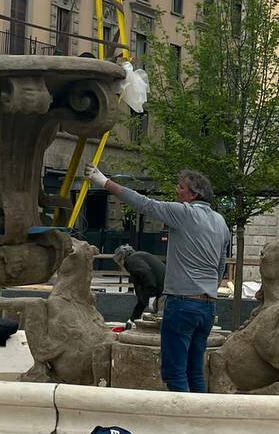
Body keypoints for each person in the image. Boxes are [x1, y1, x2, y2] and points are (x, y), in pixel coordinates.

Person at [85, 165, 230, 393]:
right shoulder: (221, 222)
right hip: (208, 306)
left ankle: (179, 423)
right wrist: (207, 289)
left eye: (180, 188)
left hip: (182, 303)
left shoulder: (183, 213)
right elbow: (220, 265)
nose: (176, 191)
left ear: (193, 194)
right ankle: (200, 422)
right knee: (195, 371)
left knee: (175, 372)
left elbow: (143, 203)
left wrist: (104, 182)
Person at [113, 243, 165, 324]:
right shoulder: (137, 259)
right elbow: (142, 300)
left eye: (118, 263)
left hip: (164, 291)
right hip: (164, 288)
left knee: (161, 321)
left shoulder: (132, 261)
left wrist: (152, 295)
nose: (119, 266)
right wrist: (132, 320)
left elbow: (148, 275)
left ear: (121, 258)